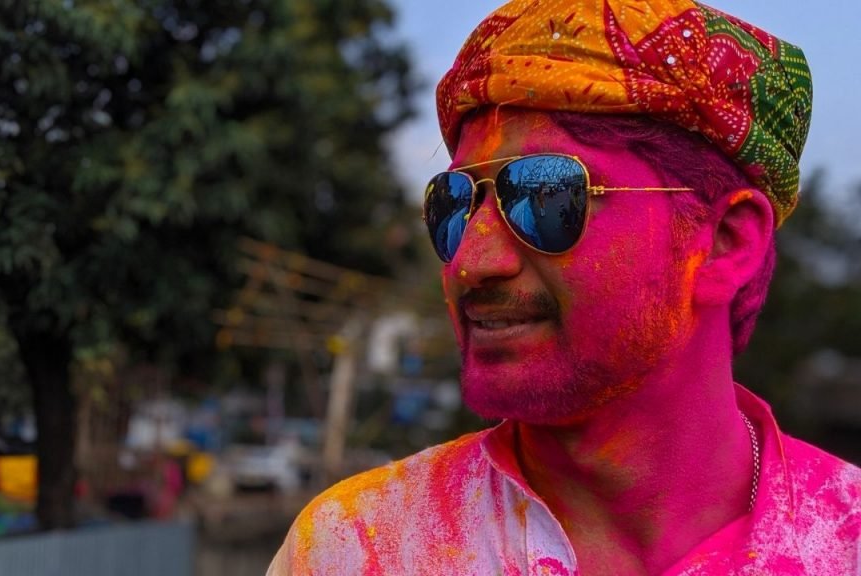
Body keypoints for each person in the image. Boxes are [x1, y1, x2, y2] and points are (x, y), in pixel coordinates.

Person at [268, 0, 861, 574]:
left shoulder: (844, 542)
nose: (470, 263)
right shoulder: (357, 547)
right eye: (454, 205)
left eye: (546, 196)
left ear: (727, 241)